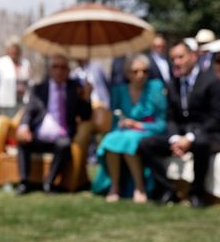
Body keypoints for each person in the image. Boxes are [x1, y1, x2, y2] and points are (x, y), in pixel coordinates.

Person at [138, 40, 220, 209]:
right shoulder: (173, 83)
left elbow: (214, 118)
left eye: (180, 57)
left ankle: (196, 193)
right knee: (146, 144)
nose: (176, 62)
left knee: (201, 143)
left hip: (206, 135)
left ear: (193, 56)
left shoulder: (211, 81)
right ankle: (168, 190)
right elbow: (171, 117)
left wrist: (190, 138)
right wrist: (175, 138)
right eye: (173, 58)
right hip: (180, 135)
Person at [92, 55, 167, 203]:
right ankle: (114, 186)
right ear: (127, 74)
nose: (141, 75)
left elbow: (162, 123)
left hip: (147, 132)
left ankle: (140, 187)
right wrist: (122, 123)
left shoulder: (155, 87)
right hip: (124, 132)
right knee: (111, 139)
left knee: (129, 139)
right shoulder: (119, 91)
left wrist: (140, 125)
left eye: (145, 71)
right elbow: (115, 120)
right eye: (136, 71)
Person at [15, 55, 92, 194]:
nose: (59, 71)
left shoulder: (74, 89)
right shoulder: (39, 89)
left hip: (61, 138)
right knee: (23, 141)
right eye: (55, 67)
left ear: (69, 71)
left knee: (64, 144)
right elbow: (30, 110)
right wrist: (24, 126)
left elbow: (85, 115)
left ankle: (49, 183)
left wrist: (87, 97)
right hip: (38, 136)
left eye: (63, 67)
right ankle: (24, 182)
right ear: (49, 70)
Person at [0, 37, 31, 118]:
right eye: (12, 49)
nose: (15, 51)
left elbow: (29, 81)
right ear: (7, 50)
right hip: (5, 102)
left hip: (22, 101)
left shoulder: (25, 63)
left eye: (17, 49)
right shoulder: (0, 63)